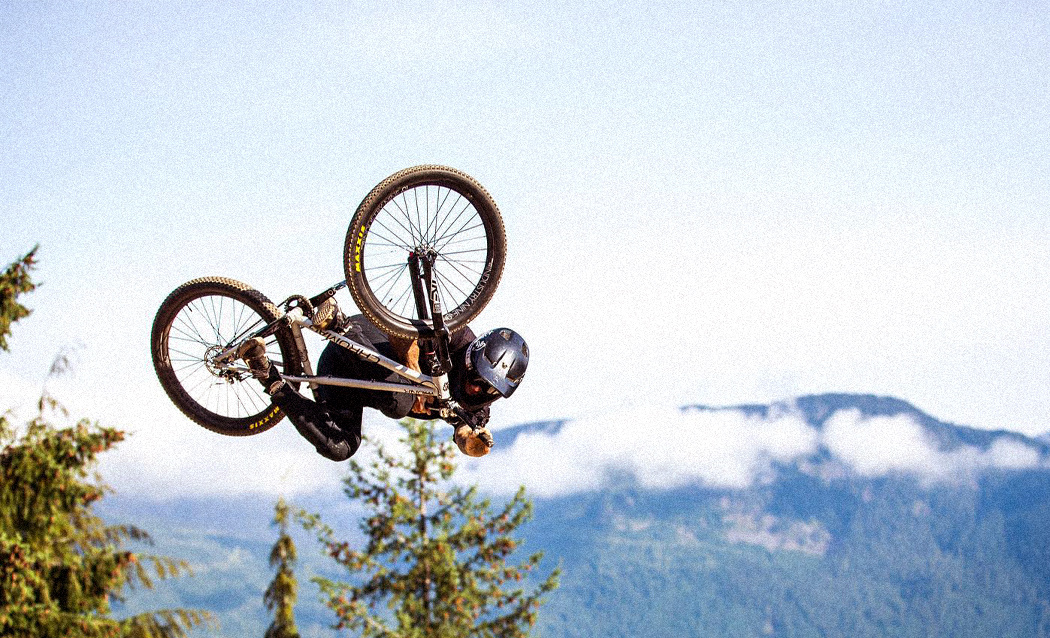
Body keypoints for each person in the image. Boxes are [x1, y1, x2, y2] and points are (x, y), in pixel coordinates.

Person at [236, 300, 528, 462]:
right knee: (401, 400)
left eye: (487, 388)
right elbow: (401, 332)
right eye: (477, 377)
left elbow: (465, 430)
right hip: (363, 340)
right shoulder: (456, 337)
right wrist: (413, 373)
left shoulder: (477, 404)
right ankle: (338, 321)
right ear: (472, 358)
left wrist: (471, 443)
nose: (477, 387)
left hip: (349, 382)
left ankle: (268, 376)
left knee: (340, 448)